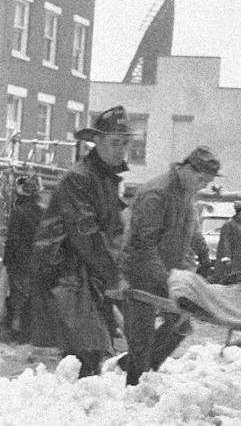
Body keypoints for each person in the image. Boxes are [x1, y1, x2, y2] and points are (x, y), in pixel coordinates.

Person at [28, 105, 132, 377]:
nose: (120, 150)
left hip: (87, 272)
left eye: (124, 143)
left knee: (93, 348)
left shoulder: (105, 179)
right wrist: (113, 277)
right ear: (96, 140)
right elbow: (86, 234)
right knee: (86, 349)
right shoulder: (80, 178)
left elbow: (113, 230)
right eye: (114, 143)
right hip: (65, 272)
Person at [121, 146, 222, 386]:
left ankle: (144, 371)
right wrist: (168, 280)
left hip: (167, 271)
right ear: (188, 169)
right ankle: (133, 394)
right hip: (140, 272)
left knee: (181, 322)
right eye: (201, 180)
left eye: (206, 183)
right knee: (141, 338)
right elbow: (143, 245)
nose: (202, 186)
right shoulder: (157, 193)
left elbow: (189, 232)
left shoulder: (185, 191)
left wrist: (198, 263)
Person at [3, 175, 44, 342]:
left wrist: (7, 261)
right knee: (31, 297)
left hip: (18, 262)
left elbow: (12, 240)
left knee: (17, 296)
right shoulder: (43, 212)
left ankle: (15, 331)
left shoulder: (18, 212)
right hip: (37, 262)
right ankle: (28, 332)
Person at [216, 201, 241, 273]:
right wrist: (227, 258)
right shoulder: (229, 224)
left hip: (239, 260)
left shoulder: (240, 224)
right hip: (230, 260)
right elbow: (225, 242)